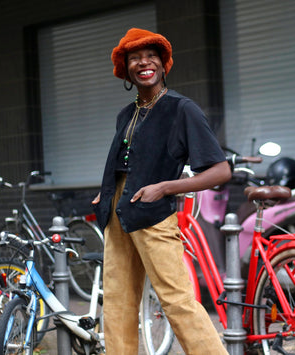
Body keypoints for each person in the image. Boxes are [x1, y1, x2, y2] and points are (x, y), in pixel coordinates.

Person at [92, 27, 230, 354]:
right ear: (125, 69)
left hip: (154, 215)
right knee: (117, 303)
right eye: (135, 58)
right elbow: (127, 162)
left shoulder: (181, 108)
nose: (143, 63)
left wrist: (166, 187)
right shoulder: (126, 114)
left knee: (177, 301)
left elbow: (220, 170)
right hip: (118, 211)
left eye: (150, 56)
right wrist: (106, 191)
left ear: (163, 64)